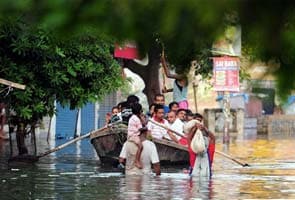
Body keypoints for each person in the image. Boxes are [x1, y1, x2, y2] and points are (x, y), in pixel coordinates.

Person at [127, 103, 145, 169]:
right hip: (133, 136)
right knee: (141, 146)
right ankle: (136, 161)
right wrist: (146, 128)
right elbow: (141, 128)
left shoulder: (134, 117)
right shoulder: (136, 119)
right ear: (140, 111)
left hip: (134, 134)